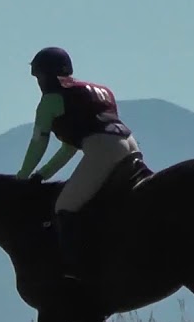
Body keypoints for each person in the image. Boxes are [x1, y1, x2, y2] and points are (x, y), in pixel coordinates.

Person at [15, 46, 141, 283]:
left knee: (65, 206)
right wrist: (43, 174)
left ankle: (76, 271)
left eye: (39, 76)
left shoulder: (50, 100)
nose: (39, 82)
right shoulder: (102, 91)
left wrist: (22, 177)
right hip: (131, 144)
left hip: (103, 149)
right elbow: (70, 147)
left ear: (47, 75)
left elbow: (38, 143)